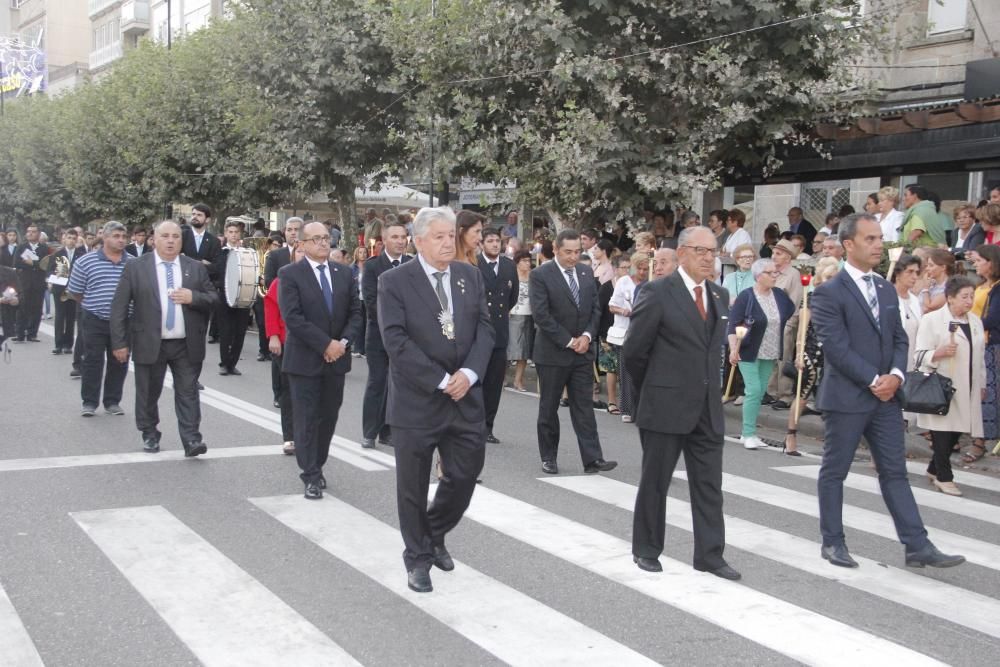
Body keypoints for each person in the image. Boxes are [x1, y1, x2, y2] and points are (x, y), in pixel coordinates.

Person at [810, 213, 964, 569]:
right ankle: (833, 542)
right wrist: (873, 380)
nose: (879, 244)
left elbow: (898, 337)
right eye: (871, 239)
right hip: (848, 397)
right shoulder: (828, 292)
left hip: (886, 398)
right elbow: (836, 346)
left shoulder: (884, 288)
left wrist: (895, 375)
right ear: (849, 244)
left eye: (880, 238)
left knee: (894, 472)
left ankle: (917, 545)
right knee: (835, 471)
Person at [377, 206, 495, 594]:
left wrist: (469, 374)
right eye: (440, 236)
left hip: (464, 398)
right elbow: (395, 341)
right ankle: (418, 558)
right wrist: (442, 379)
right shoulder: (394, 281)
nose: (448, 242)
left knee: (463, 474)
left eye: (451, 235)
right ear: (420, 240)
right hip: (418, 400)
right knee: (412, 485)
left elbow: (484, 330)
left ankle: (434, 531)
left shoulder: (469, 276)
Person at [624, 226, 738, 579]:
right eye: (701, 251)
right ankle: (646, 548)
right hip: (664, 403)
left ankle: (710, 555)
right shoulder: (658, 292)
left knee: (708, 484)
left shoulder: (719, 295)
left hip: (706, 406)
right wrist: (654, 391)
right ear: (683, 253)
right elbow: (634, 352)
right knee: (655, 481)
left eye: (713, 252)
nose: (708, 258)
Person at [109, 221, 217, 454]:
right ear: (154, 240)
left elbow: (213, 298)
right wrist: (119, 342)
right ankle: (149, 433)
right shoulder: (136, 267)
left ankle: (191, 439)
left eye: (176, 236)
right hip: (150, 341)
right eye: (165, 236)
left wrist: (193, 297)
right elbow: (119, 307)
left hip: (185, 343)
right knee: (148, 392)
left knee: (188, 392)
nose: (171, 241)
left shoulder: (195, 268)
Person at [279, 222, 362, 499]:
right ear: (302, 244)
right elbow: (293, 317)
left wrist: (342, 344)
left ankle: (319, 463)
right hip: (304, 360)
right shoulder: (290, 274)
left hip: (336, 360)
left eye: (326, 238)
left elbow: (356, 314)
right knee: (306, 418)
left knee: (328, 416)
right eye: (316, 239)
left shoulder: (343, 274)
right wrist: (325, 343)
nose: (323, 243)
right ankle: (310, 474)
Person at [530, 229, 617, 475]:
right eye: (567, 252)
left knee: (584, 407)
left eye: (577, 251)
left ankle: (593, 458)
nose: (572, 257)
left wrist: (587, 337)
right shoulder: (541, 275)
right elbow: (541, 315)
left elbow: (594, 309)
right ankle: (549, 457)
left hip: (582, 352)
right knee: (549, 407)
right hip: (553, 352)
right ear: (556, 250)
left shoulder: (586, 272)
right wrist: (569, 341)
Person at [914, 276, 984, 497]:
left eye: (971, 296)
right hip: (942, 386)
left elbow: (979, 356)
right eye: (964, 296)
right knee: (943, 432)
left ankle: (934, 468)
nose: (969, 301)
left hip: (968, 385)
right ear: (950, 298)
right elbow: (919, 355)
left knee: (959, 429)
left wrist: (981, 382)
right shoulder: (932, 320)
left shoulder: (974, 321)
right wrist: (938, 353)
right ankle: (945, 476)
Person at [728, 259, 795, 450]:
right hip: (748, 350)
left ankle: (749, 433)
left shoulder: (780, 296)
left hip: (770, 350)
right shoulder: (746, 297)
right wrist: (734, 348)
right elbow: (734, 324)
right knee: (754, 390)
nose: (775, 276)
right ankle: (748, 433)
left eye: (776, 272)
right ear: (759, 276)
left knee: (759, 392)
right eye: (770, 273)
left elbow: (788, 312)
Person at [66, 222, 132, 417]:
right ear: (105, 237)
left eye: (123, 236)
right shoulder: (86, 261)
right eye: (116, 236)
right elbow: (76, 291)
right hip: (94, 319)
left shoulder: (134, 263)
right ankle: (89, 402)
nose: (121, 240)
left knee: (119, 361)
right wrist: (95, 304)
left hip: (123, 322)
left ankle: (112, 401)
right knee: (92, 360)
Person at [361, 219, 411, 448]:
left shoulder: (413, 264)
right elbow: (371, 302)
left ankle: (388, 431)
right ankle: (370, 431)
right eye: (395, 237)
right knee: (378, 381)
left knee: (398, 384)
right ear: (384, 240)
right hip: (379, 334)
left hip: (406, 336)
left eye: (403, 237)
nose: (400, 241)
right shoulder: (372, 266)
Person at [265, 241, 309, 456]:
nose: (302, 254)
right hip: (285, 341)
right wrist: (273, 335)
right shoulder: (282, 279)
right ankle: (290, 437)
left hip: (311, 344)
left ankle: (307, 436)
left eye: (304, 250)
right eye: (299, 251)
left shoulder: (320, 279)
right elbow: (271, 306)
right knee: (288, 391)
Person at [477, 225, 518, 443]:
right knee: (477, 380)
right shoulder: (474, 264)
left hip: (500, 331)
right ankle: (473, 424)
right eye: (490, 241)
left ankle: (488, 426)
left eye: (497, 241)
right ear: (481, 244)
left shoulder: (509, 266)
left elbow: (513, 297)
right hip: (478, 330)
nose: (494, 244)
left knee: (494, 383)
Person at [608, 251, 649, 423]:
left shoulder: (650, 282)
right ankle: (626, 407)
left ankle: (641, 408)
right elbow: (612, 305)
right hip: (625, 331)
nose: (642, 272)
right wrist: (624, 311)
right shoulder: (624, 281)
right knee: (626, 370)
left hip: (644, 332)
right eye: (639, 268)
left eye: (645, 269)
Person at [970, 243, 1000, 464]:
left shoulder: (998, 288)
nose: (975, 264)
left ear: (991, 263)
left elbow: (993, 318)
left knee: (987, 394)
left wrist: (968, 324)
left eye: (980, 260)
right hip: (977, 341)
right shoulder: (981, 285)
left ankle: (981, 442)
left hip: (990, 345)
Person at [213, 220, 253, 376]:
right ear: (225, 234)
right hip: (225, 296)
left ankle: (233, 364)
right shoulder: (221, 252)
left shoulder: (247, 252)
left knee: (240, 332)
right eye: (230, 232)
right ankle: (224, 363)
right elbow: (217, 272)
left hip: (243, 296)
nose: (233, 235)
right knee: (226, 332)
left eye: (236, 232)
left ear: (240, 234)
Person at [48, 229, 85, 355]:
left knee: (70, 317)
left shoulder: (81, 254)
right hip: (59, 289)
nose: (71, 240)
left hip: (74, 290)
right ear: (64, 239)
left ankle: (68, 344)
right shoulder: (57, 254)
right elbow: (49, 271)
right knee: (59, 316)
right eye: (69, 237)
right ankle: (58, 344)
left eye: (74, 238)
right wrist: (54, 277)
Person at [13, 224, 49, 342]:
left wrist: (33, 264)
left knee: (36, 308)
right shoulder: (21, 247)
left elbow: (45, 265)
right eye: (28, 231)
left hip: (38, 282)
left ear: (38, 234)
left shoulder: (44, 248)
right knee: (22, 307)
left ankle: (32, 333)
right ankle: (20, 333)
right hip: (24, 282)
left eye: (33, 231)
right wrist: (33, 264)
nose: (30, 233)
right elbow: (17, 262)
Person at [508, 249, 534, 392]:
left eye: (529, 260)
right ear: (517, 263)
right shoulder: (512, 276)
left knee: (524, 350)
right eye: (524, 261)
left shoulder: (533, 276)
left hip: (529, 315)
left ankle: (518, 380)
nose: (527, 263)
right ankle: (502, 378)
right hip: (513, 315)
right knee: (510, 348)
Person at [263, 218, 302, 289]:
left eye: (296, 229)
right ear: (285, 233)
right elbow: (268, 281)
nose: (293, 233)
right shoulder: (274, 255)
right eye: (289, 230)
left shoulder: (311, 254)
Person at [916, 248, 954, 314]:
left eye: (931, 265)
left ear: (943, 267)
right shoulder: (931, 283)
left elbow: (929, 307)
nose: (927, 268)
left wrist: (925, 289)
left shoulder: (949, 287)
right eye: (927, 265)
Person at [350, 245, 369, 357]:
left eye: (365, 252)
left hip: (366, 298)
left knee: (367, 324)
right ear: (356, 254)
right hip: (357, 298)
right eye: (360, 252)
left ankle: (366, 349)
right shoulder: (352, 268)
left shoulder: (369, 266)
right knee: (359, 324)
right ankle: (357, 349)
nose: (363, 254)